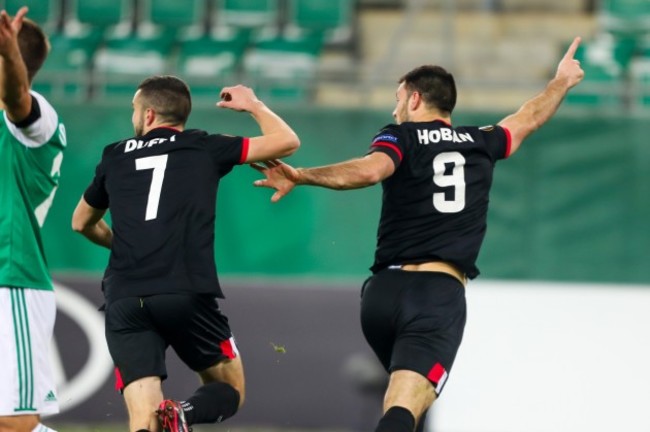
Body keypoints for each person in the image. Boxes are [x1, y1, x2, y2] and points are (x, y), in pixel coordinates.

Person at [251, 37, 585, 432]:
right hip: (435, 296)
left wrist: (303, 175)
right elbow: (528, 116)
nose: (394, 108)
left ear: (414, 99)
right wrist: (561, 82)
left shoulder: (400, 136)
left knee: (401, 404)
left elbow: (371, 170)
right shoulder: (483, 140)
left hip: (381, 294)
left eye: (397, 98)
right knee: (403, 409)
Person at [71, 75, 299, 432]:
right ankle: (183, 413)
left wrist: (129, 245)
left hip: (124, 297)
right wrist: (253, 104)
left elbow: (81, 223)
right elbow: (287, 142)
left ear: (148, 115)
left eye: (134, 109)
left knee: (143, 421)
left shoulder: (114, 155)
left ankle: (165, 418)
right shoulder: (203, 146)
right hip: (183, 290)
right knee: (229, 390)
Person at [0, 6, 67, 432]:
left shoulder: (36, 121)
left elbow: (17, 101)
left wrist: (9, 58)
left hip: (12, 282)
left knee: (14, 424)